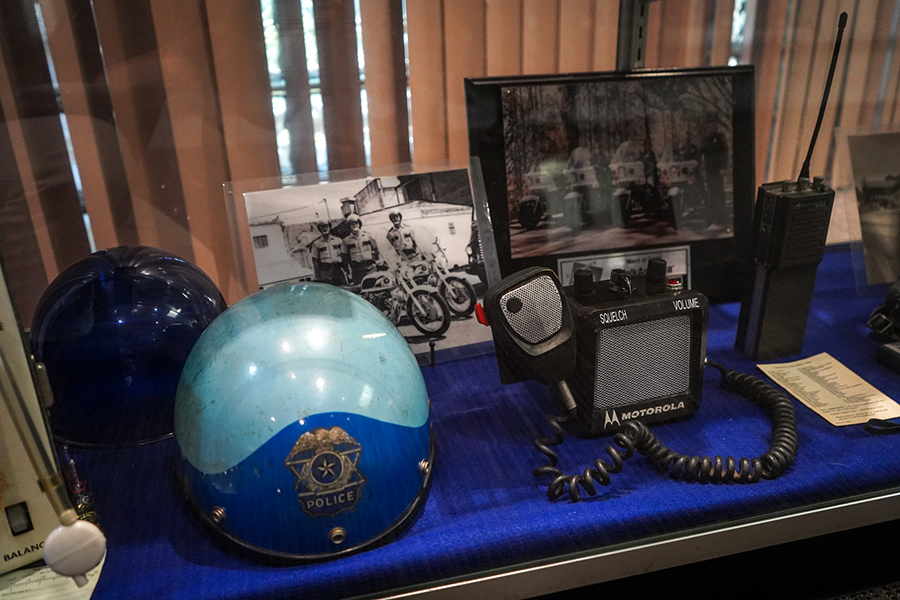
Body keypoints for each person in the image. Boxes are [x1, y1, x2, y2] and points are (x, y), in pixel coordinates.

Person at [341, 214, 380, 284]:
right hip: (357, 270)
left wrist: (375, 261)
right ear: (349, 226)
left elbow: (376, 250)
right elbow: (345, 258)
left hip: (370, 268)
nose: (354, 226)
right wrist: (349, 271)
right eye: (352, 224)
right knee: (360, 289)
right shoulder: (346, 241)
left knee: (374, 287)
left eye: (356, 223)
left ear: (359, 224)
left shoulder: (368, 236)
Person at [310, 221, 346, 285]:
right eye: (322, 227)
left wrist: (347, 271)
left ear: (329, 227)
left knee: (343, 289)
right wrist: (318, 276)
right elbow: (315, 261)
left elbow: (344, 256)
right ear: (319, 229)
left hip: (338, 270)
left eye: (326, 226)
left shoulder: (338, 240)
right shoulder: (316, 244)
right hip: (326, 271)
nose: (325, 229)